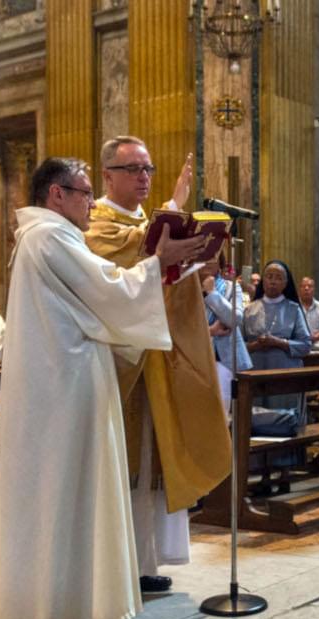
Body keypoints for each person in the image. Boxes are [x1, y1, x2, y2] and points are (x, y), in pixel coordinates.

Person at [0, 157, 202, 619]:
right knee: (67, 493)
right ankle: (59, 618)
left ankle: (59, 610)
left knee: (64, 495)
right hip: (64, 392)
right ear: (56, 195)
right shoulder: (50, 237)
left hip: (64, 385)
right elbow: (110, 290)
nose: (89, 203)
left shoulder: (42, 238)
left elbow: (98, 297)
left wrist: (156, 267)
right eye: (83, 193)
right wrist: (158, 263)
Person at [85, 135, 230, 594]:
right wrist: (163, 245)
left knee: (152, 460)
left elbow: (157, 268)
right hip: (120, 361)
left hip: (156, 360)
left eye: (147, 169)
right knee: (125, 461)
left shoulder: (150, 222)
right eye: (133, 169)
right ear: (107, 175)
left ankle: (144, 561)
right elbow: (120, 266)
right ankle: (116, 565)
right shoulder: (96, 224)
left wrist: (190, 259)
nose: (143, 177)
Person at [243, 260, 312, 494]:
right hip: (256, 371)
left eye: (278, 277)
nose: (272, 281)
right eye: (269, 276)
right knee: (258, 421)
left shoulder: (293, 309)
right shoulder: (249, 309)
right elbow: (238, 346)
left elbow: (305, 345)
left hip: (284, 373)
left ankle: (284, 474)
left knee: (281, 421)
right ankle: (262, 475)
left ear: (286, 283)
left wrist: (278, 343)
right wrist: (253, 345)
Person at [199, 251, 253, 409]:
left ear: (220, 262)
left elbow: (235, 319)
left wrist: (212, 293)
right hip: (196, 356)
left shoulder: (231, 286)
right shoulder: (185, 288)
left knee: (221, 413)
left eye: (213, 256)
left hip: (225, 359)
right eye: (203, 256)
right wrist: (210, 331)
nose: (208, 260)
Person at [299, 276, 319, 351]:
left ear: (314, 289)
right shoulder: (294, 308)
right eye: (303, 286)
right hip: (298, 348)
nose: (306, 288)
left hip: (317, 349)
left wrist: (313, 338)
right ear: (299, 289)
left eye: (309, 286)